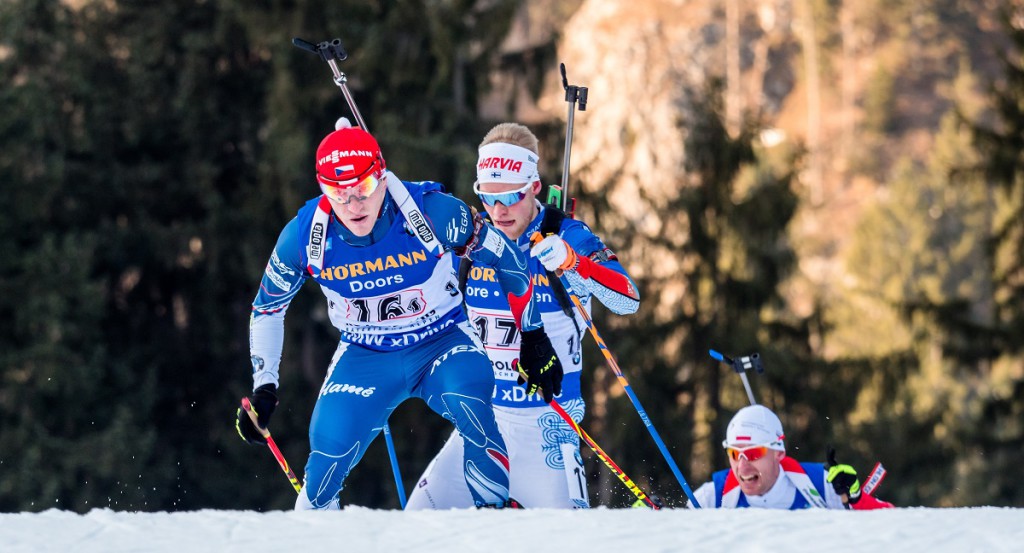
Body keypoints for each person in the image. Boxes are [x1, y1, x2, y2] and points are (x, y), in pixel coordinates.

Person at [234, 119, 564, 510]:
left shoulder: (430, 213)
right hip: (366, 353)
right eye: (338, 193)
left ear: (382, 175)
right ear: (321, 189)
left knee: (473, 406)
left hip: (441, 340)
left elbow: (505, 257)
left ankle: (492, 527)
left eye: (365, 189)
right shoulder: (305, 236)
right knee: (326, 455)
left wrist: (534, 336)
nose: (354, 206)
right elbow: (268, 308)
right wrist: (265, 385)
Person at [406, 122, 641, 509]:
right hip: (481, 421)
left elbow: (627, 299)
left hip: (546, 428)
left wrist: (573, 263)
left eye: (511, 197)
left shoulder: (566, 234)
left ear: (533, 187)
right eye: (487, 197)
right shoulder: (468, 237)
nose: (498, 211)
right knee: (418, 521)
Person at [689, 404, 894, 510]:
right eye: (734, 453)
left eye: (753, 453)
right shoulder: (713, 497)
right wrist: (657, 513)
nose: (742, 467)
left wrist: (857, 498)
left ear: (779, 453)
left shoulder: (822, 485)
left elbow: (896, 524)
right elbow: (673, 533)